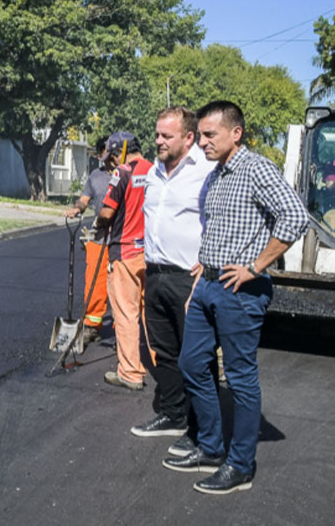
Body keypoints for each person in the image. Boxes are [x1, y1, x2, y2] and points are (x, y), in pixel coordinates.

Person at [164, 101, 307, 494]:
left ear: (235, 134)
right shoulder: (216, 173)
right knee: (191, 362)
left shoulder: (256, 168)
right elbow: (218, 225)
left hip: (241, 290)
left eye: (211, 135)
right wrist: (204, 263)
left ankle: (240, 465)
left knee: (241, 379)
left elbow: (295, 217)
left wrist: (255, 267)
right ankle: (210, 447)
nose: (203, 142)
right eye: (202, 135)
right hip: (208, 283)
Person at [132, 107, 216, 457]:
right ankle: (173, 414)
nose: (159, 141)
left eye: (167, 136)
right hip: (155, 275)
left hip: (188, 279)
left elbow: (224, 216)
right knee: (164, 352)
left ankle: (201, 431)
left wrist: (210, 258)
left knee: (195, 357)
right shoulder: (153, 172)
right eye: (157, 134)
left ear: (188, 137)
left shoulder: (208, 171)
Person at [95, 132, 153, 391]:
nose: (110, 164)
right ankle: (160, 363)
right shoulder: (155, 171)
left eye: (111, 157)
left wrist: (97, 225)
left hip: (125, 252)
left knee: (126, 314)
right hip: (151, 253)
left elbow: (107, 211)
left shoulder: (122, 173)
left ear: (120, 152)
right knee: (150, 313)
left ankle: (130, 372)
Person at [63, 136, 112, 346]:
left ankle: (127, 328)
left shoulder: (128, 174)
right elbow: (84, 200)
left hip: (122, 237)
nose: (105, 156)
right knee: (94, 281)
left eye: (108, 151)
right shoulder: (95, 176)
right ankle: (92, 325)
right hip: (98, 236)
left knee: (123, 286)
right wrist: (77, 208)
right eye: (102, 151)